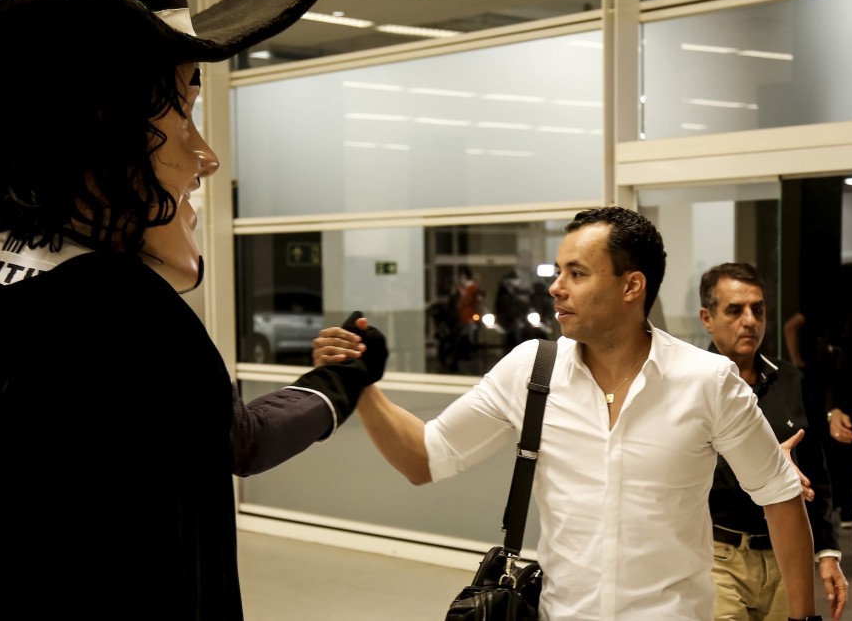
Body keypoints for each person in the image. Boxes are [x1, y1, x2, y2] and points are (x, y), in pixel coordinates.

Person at [0, 0, 388, 619]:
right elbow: (238, 440)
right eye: (183, 115)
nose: (207, 158)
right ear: (97, 131)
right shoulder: (121, 309)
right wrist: (346, 376)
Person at [315, 206, 822, 620]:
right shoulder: (532, 370)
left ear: (631, 286)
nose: (556, 287)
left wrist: (803, 618)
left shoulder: (707, 380)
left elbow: (779, 496)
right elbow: (425, 458)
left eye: (576, 273)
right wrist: (361, 386)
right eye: (559, 272)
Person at [699, 262, 847, 620]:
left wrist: (826, 551)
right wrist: (772, 468)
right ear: (707, 317)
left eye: (758, 309)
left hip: (785, 559)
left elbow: (816, 470)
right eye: (735, 310)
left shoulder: (791, 381)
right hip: (719, 557)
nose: (750, 321)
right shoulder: (690, 384)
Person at [785, 263, 852, 528]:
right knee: (843, 440)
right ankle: (847, 506)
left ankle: (838, 504)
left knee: (831, 443)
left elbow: (791, 326)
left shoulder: (823, 305)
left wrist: (798, 361)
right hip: (839, 382)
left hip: (821, 379)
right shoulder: (851, 311)